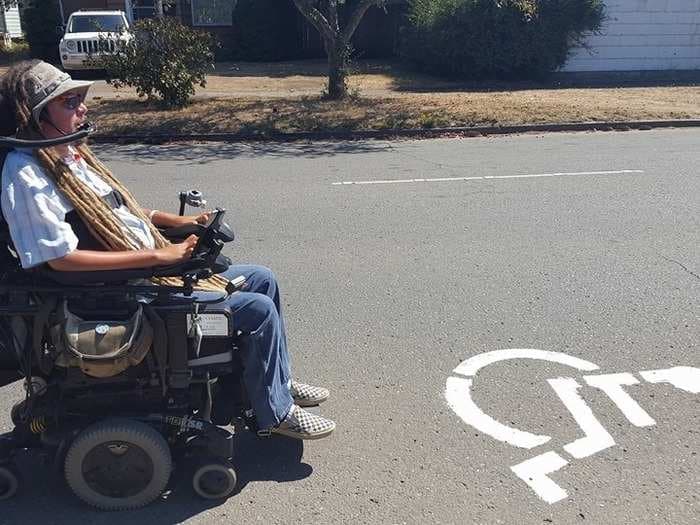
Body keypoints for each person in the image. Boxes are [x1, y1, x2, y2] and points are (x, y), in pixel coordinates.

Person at [0, 60, 335, 440]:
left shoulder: (65, 155)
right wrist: (164, 257)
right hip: (119, 294)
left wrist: (179, 224)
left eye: (81, 98)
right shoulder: (26, 174)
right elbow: (58, 259)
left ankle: (277, 382)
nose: (84, 107)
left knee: (263, 279)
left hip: (145, 274)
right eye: (71, 101)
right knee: (254, 310)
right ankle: (274, 413)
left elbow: (114, 209)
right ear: (36, 115)